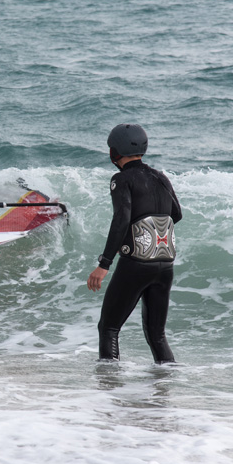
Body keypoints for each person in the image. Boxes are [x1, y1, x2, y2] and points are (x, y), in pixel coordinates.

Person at [87, 124, 183, 364]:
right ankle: (166, 387)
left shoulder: (121, 179)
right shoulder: (161, 177)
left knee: (109, 328)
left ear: (114, 153)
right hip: (165, 264)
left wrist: (104, 264)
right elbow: (176, 214)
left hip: (136, 264)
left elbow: (121, 220)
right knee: (157, 334)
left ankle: (108, 387)